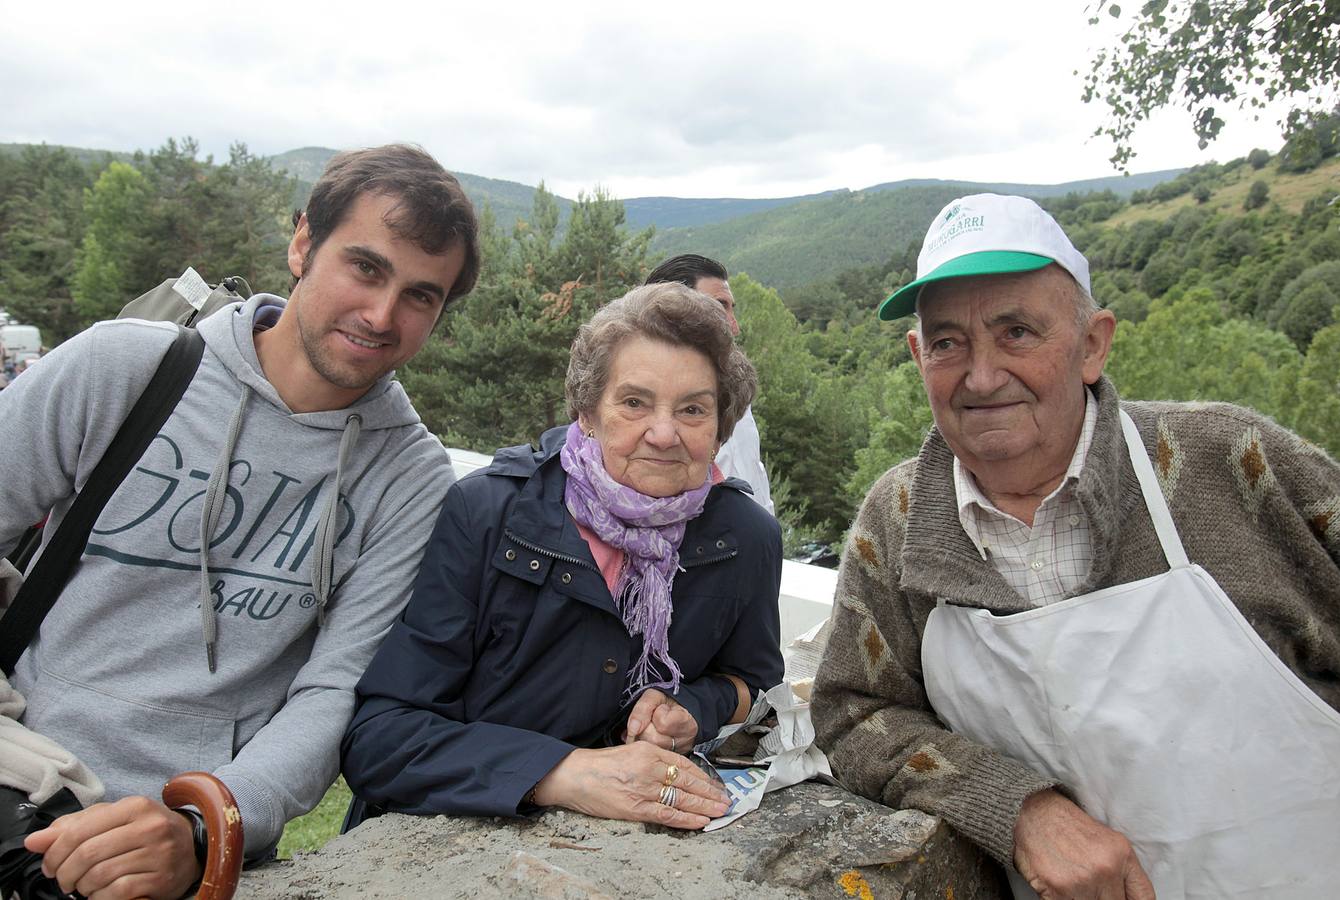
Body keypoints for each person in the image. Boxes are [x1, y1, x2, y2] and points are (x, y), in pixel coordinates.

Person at [812, 193, 1340, 899]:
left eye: (1018, 333)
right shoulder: (900, 519)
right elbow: (854, 714)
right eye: (947, 342)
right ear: (917, 356)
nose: (982, 375)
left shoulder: (1235, 463)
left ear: (1093, 343)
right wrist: (1018, 807)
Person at [0, 144, 480, 899]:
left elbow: (336, 689)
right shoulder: (123, 369)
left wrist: (207, 825)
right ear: (301, 244)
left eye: (421, 296)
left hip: (179, 840)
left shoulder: (411, 480)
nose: (382, 315)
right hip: (19, 771)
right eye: (365, 268)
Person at [342, 282, 784, 829]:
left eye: (693, 409)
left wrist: (693, 708)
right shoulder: (488, 514)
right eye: (634, 402)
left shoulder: (745, 537)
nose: (664, 434)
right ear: (588, 412)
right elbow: (381, 738)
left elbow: (754, 686)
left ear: (721, 426)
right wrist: (567, 774)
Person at [645, 254, 773, 514]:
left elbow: (754, 479)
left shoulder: (736, 395)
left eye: (731, 308)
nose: (734, 327)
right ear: (671, 311)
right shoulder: (637, 412)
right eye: (720, 307)